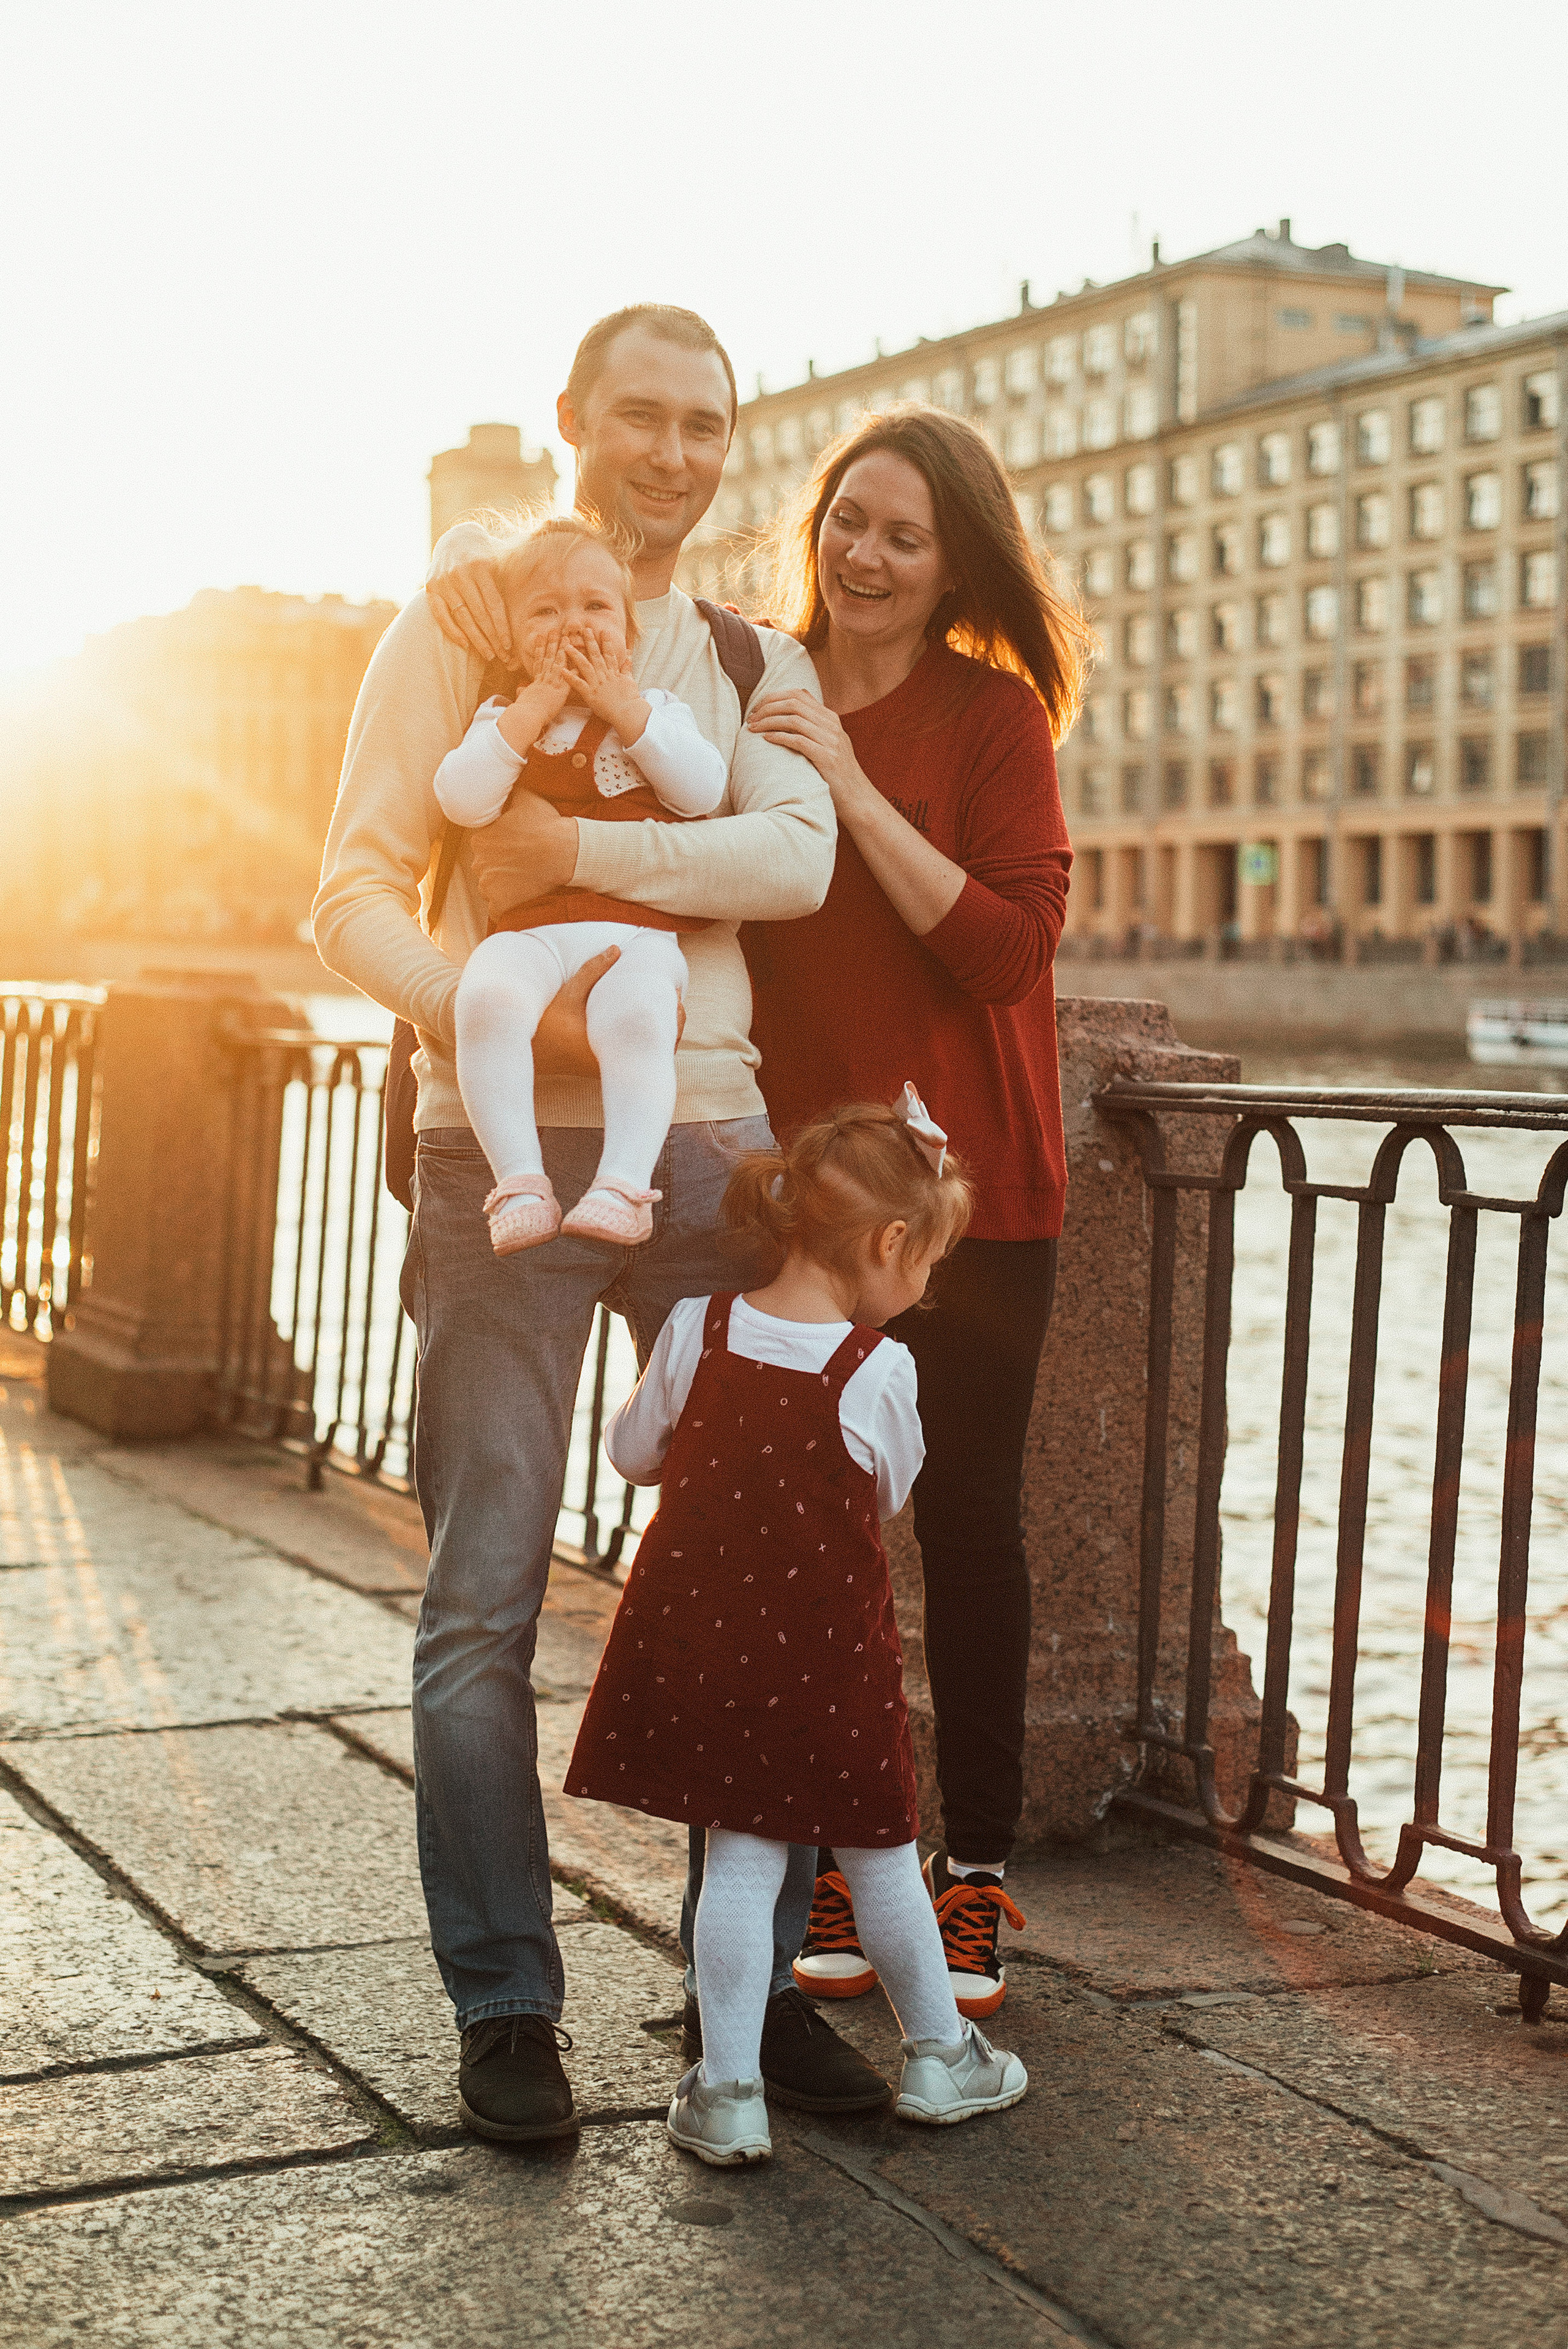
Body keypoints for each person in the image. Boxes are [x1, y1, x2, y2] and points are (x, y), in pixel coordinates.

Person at [314, 304, 890, 2144]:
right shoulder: (458, 627)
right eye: (639, 416)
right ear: (572, 424)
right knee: (484, 1587)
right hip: (497, 1153)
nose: (672, 452)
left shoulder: (740, 652)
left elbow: (789, 862)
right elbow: (345, 894)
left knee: (777, 1564)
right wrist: (495, 1010)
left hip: (712, 1151)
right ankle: (506, 2005)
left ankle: (750, 1984)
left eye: (704, 424)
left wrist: (566, 869)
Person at [740, 405, 1090, 2020]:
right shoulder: (754, 688)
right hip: (813, 1196)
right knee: (813, 1540)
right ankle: (829, 1850)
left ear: (952, 564)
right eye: (847, 522)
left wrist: (856, 792)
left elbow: (1011, 950)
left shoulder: (991, 715)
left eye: (904, 535)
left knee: (967, 1526)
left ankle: (973, 1878)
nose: (863, 556)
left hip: (981, 1191)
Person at [567, 1102, 1028, 2166]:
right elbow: (887, 1498)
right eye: (933, 1262)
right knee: (878, 1854)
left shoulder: (699, 1326)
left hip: (708, 1646)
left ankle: (727, 2092)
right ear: (888, 1246)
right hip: (828, 1660)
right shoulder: (878, 1370)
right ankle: (940, 2057)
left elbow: (633, 1453)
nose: (927, 1288)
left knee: (739, 1859)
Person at [433, 515, 726, 1254]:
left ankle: (625, 1185)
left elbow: (700, 791)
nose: (573, 624)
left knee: (640, 1019)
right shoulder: (501, 718)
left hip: (636, 939)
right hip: (526, 935)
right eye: (545, 609)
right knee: (486, 998)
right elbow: (462, 799)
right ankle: (520, 1183)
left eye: (596, 607)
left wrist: (626, 709)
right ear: (513, 636)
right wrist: (530, 709)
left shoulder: (658, 713)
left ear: (628, 633)